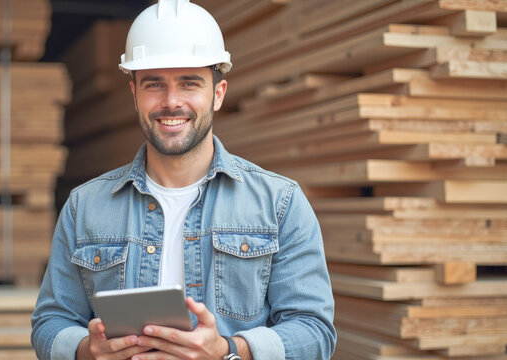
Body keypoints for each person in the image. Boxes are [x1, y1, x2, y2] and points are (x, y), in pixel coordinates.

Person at [31, 1, 336, 359]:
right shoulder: (85, 206)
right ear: (134, 95)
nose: (171, 102)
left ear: (218, 94)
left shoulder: (280, 203)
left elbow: (315, 333)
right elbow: (50, 321)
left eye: (189, 83)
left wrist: (227, 350)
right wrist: (87, 350)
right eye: (154, 84)